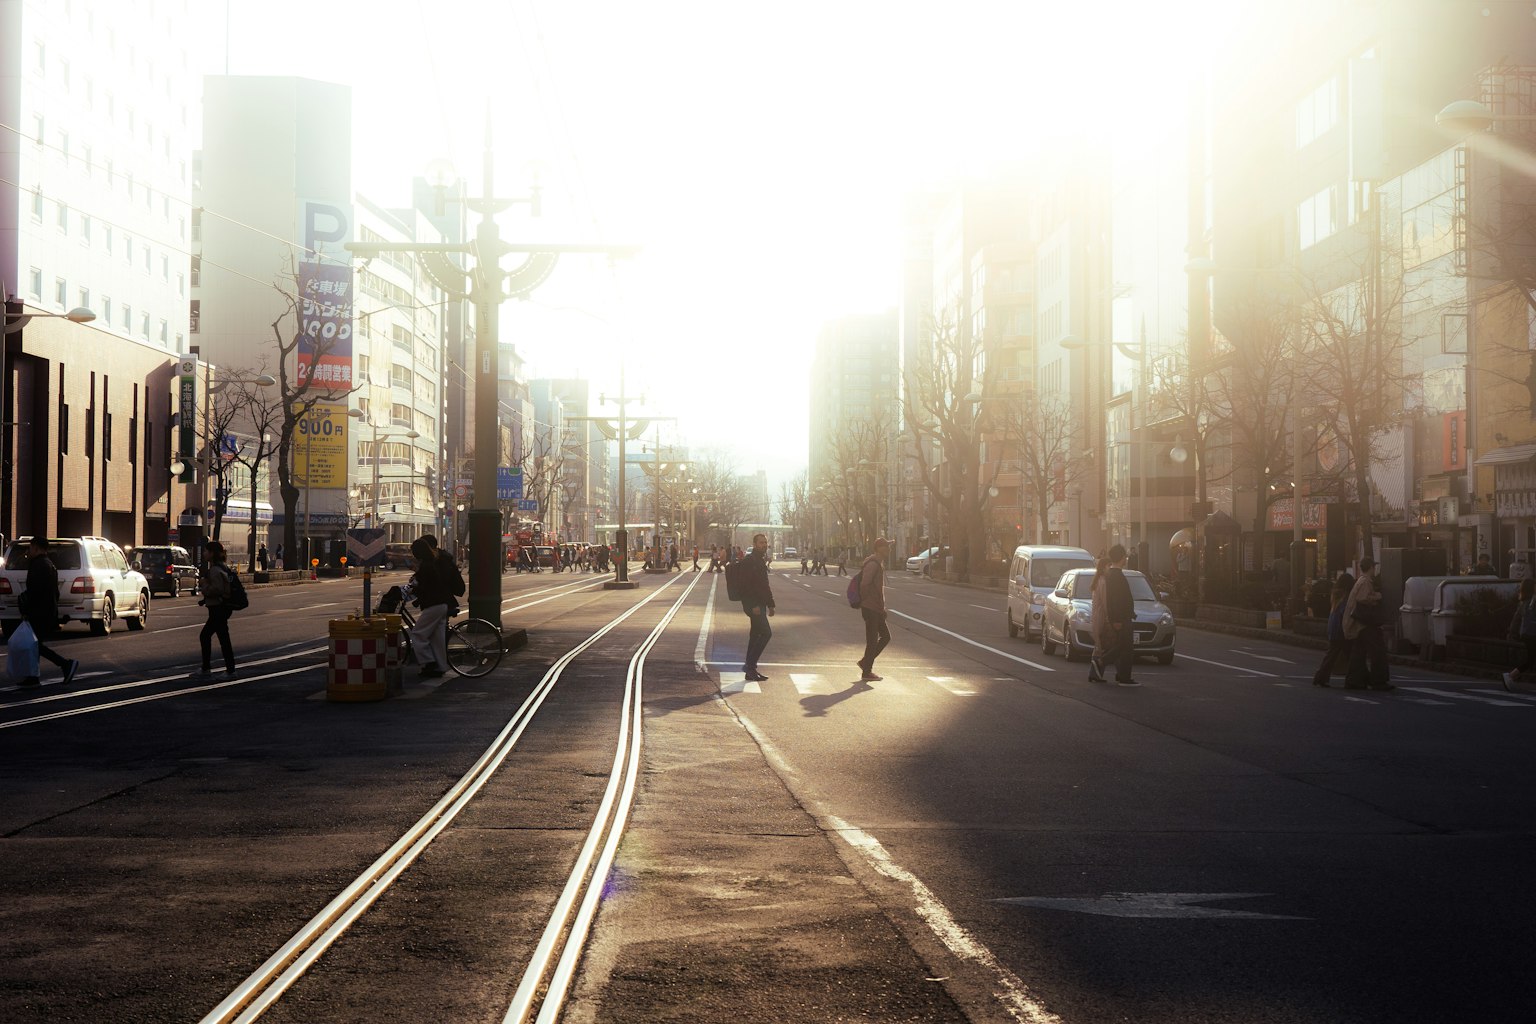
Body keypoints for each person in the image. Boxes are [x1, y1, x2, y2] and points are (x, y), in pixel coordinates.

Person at [18, 536, 80, 688]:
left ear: (37, 548)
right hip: (46, 609)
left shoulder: (39, 565)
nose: (29, 551)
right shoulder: (48, 564)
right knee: (35, 644)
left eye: (31, 548)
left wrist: (26, 607)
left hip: (39, 611)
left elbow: (35, 590)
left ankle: (65, 664)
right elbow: (53, 592)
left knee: (36, 645)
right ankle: (33, 677)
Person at [1343, 557, 1393, 691]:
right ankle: (1378, 681)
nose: (1374, 569)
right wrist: (1377, 596)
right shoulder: (1365, 581)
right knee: (1378, 651)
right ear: (1371, 567)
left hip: (1358, 622)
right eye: (1374, 566)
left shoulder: (1360, 580)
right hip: (1365, 622)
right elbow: (1362, 598)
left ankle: (1355, 680)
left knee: (1359, 651)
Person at [408, 536, 452, 678]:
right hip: (442, 603)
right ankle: (440, 666)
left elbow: (425, 587)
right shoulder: (431, 562)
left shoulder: (425, 566)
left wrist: (414, 590)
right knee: (436, 638)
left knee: (418, 634)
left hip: (433, 605)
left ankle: (429, 661)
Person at [197, 540, 238, 680]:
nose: (204, 553)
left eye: (206, 551)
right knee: (222, 637)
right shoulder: (221, 567)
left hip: (218, 609)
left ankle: (210, 668)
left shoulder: (215, 570)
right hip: (221, 608)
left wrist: (204, 586)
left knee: (207, 636)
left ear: (212, 553)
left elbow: (217, 589)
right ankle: (227, 668)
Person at [738, 532, 775, 682]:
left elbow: (764, 586)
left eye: (765, 543)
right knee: (766, 633)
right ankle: (750, 666)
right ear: (754, 545)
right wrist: (752, 605)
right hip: (754, 605)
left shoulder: (760, 560)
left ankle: (750, 670)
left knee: (755, 636)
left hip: (760, 604)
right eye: (761, 543)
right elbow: (744, 587)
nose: (764, 545)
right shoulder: (750, 561)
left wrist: (771, 605)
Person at [1099, 544, 1138, 686]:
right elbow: (1115, 600)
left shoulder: (1114, 574)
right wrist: (1116, 619)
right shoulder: (1116, 575)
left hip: (1122, 617)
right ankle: (1105, 663)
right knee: (1125, 648)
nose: (1126, 558)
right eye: (1125, 556)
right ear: (1122, 557)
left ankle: (1121, 674)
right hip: (1121, 618)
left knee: (1122, 646)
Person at [856, 538, 892, 681]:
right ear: (879, 548)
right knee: (872, 641)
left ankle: (866, 662)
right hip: (870, 607)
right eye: (886, 547)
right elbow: (865, 584)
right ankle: (867, 671)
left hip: (876, 608)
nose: (889, 549)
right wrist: (865, 600)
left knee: (885, 636)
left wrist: (881, 607)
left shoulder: (878, 563)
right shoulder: (873, 564)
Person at [1312, 574, 1354, 687]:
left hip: (1333, 628)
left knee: (1332, 655)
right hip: (1340, 630)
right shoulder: (1345, 597)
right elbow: (1344, 614)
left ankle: (1320, 677)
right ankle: (1356, 678)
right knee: (1352, 654)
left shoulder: (1335, 594)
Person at [1504, 578, 1536, 691]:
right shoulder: (1533, 601)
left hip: (1526, 634)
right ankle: (1511, 676)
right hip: (1533, 633)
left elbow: (1516, 620)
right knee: (1530, 660)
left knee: (1531, 659)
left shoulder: (1523, 603)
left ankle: (1511, 676)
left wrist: (1512, 633)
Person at [1088, 556, 1110, 683]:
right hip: (1100, 616)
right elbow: (1105, 601)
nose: (1109, 568)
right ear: (1103, 567)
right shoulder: (1102, 581)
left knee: (1098, 646)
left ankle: (1094, 674)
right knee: (1101, 646)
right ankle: (1096, 673)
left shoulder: (1097, 580)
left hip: (1096, 615)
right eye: (1108, 566)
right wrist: (1109, 616)